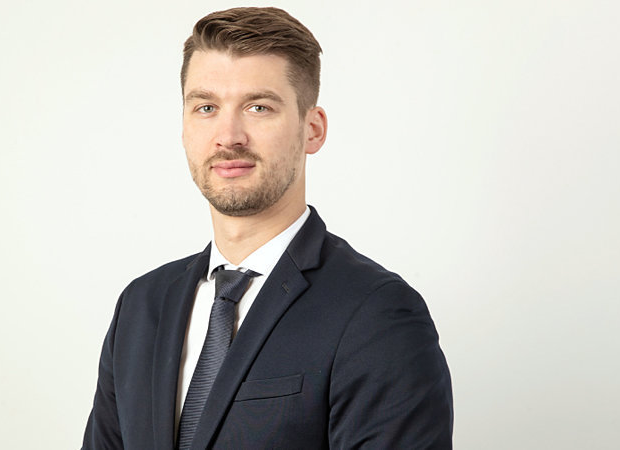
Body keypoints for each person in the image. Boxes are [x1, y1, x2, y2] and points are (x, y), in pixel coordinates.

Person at [82, 6, 453, 449]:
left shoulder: (377, 313)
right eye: (206, 107)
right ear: (183, 126)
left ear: (312, 130)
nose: (228, 136)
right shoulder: (142, 306)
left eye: (258, 107)